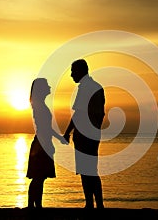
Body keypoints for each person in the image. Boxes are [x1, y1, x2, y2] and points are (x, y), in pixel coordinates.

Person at [64, 59, 105, 209]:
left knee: (87, 171)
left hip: (85, 136)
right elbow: (100, 115)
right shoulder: (97, 87)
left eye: (73, 71)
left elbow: (78, 114)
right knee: (89, 170)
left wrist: (67, 132)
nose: (71, 75)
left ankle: (92, 204)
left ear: (81, 71)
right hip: (92, 135)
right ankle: (95, 204)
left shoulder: (86, 88)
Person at [26, 78, 67, 209]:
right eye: (47, 85)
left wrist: (58, 138)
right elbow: (45, 128)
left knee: (40, 176)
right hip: (42, 144)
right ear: (41, 89)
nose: (50, 87)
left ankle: (37, 205)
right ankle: (32, 205)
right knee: (38, 176)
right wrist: (54, 141)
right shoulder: (40, 106)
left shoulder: (40, 105)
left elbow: (47, 127)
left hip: (41, 142)